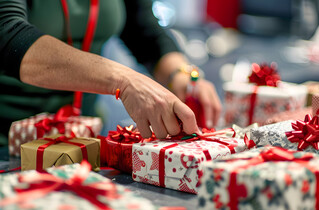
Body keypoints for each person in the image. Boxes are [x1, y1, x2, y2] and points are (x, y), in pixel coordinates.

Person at [0, 0, 221, 145]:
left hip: (83, 141)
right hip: (7, 142)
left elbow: (143, 29)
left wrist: (181, 74)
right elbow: (7, 35)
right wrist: (123, 80)